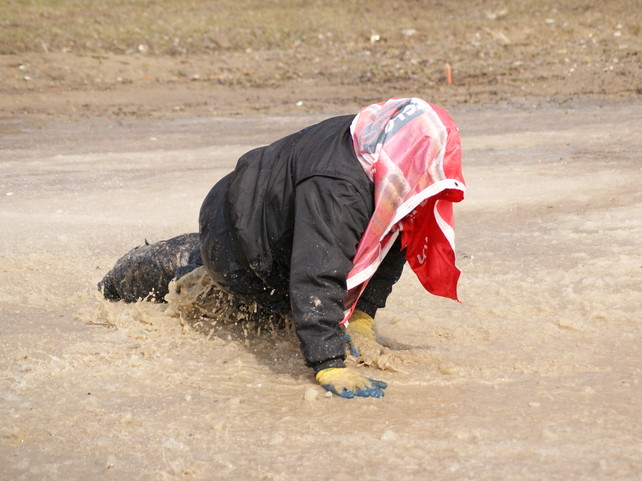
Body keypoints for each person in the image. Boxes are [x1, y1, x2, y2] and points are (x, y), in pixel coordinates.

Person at [99, 97, 466, 398]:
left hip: (270, 212)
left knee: (301, 312)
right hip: (236, 232)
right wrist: (328, 363)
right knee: (222, 293)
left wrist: (362, 315)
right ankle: (123, 280)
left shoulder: (379, 146)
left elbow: (398, 238)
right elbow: (315, 271)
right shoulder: (339, 186)